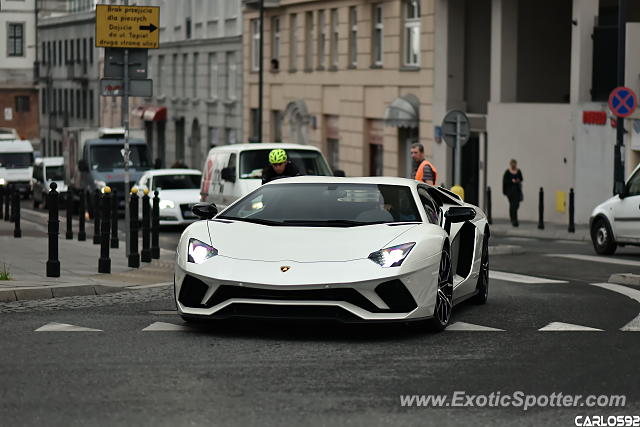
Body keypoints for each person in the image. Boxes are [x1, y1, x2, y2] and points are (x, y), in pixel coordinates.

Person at [502, 159, 523, 227]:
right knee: (512, 205)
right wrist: (511, 181)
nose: (514, 165)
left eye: (515, 164)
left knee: (516, 205)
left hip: (517, 191)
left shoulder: (518, 171)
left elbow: (521, 178)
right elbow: (505, 181)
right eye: (512, 164)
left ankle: (513, 218)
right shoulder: (507, 172)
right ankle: (514, 220)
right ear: (510, 164)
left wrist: (517, 180)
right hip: (510, 191)